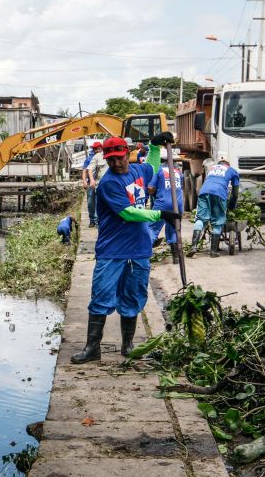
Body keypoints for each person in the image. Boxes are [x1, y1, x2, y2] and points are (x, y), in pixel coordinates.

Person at [71, 136, 180, 364]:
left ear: (127, 153)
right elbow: (129, 213)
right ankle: (92, 348)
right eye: (111, 160)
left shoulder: (138, 171)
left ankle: (128, 347)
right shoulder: (109, 183)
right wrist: (160, 214)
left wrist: (155, 145)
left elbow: (152, 166)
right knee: (101, 296)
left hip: (139, 248)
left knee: (133, 296)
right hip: (113, 250)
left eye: (120, 158)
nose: (117, 164)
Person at [188, 155, 240, 258]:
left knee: (200, 218)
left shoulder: (212, 168)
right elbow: (235, 193)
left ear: (219, 163)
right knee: (217, 222)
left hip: (204, 192)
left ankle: (193, 247)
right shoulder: (232, 171)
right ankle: (213, 252)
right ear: (228, 164)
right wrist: (231, 207)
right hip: (219, 193)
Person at [148, 161, 184, 263]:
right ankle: (176, 257)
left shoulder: (159, 170)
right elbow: (180, 188)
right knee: (173, 228)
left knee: (152, 227)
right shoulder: (178, 171)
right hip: (177, 204)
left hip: (163, 203)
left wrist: (153, 194)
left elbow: (150, 188)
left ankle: (145, 255)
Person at [81, 142, 102, 227]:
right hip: (91, 183)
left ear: (101, 148)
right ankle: (92, 220)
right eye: (95, 148)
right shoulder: (89, 159)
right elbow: (85, 170)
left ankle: (97, 220)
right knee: (90, 203)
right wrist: (84, 181)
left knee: (98, 202)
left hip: (100, 184)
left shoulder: (104, 158)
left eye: (98, 148)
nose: (96, 150)